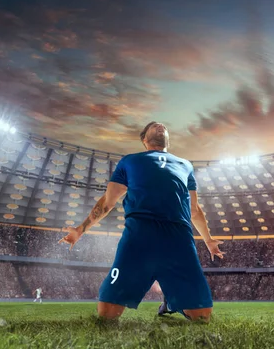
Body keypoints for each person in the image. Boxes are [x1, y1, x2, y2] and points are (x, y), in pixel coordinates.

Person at [59, 122, 224, 322]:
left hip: (178, 238)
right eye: (153, 126)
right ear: (144, 140)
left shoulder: (185, 164)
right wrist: (80, 230)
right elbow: (108, 201)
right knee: (107, 313)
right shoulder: (129, 161)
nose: (160, 125)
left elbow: (194, 209)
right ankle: (170, 297)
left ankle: (172, 302)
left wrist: (208, 240)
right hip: (139, 235)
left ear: (168, 139)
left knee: (202, 317)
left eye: (163, 126)